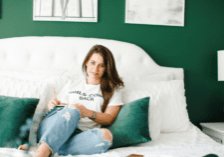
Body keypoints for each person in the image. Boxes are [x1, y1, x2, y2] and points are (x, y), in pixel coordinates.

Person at [18, 45, 125, 157]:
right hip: (52, 128)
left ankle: (42, 148)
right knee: (74, 109)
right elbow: (59, 109)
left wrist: (87, 112)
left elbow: (109, 118)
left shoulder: (113, 90)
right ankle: (42, 153)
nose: (95, 69)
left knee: (106, 136)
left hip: (81, 135)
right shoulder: (72, 84)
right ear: (86, 62)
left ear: (107, 68)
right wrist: (53, 105)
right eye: (92, 63)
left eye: (101, 65)